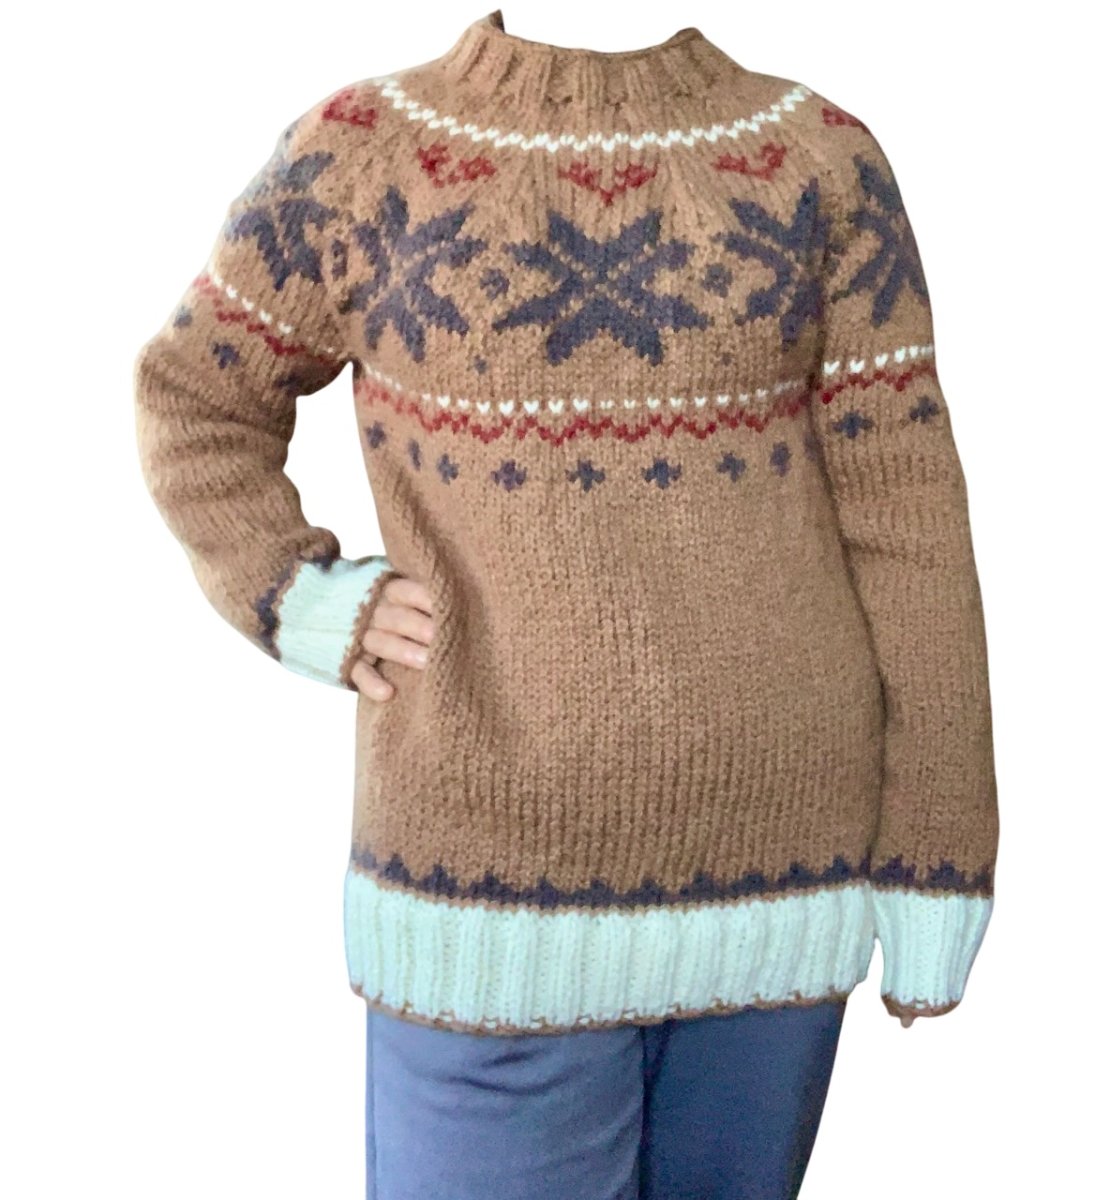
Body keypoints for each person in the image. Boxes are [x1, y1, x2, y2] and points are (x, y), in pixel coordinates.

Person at [132, 9, 999, 1198]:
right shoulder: (363, 152)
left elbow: (907, 518)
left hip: (784, 881)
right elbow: (194, 396)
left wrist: (942, 847)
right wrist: (293, 591)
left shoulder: (817, 157)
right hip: (484, 885)